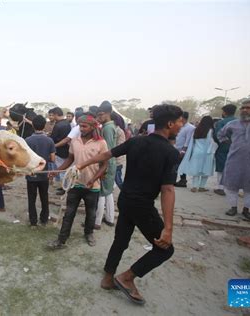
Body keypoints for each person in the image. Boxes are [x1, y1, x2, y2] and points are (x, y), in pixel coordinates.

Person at [77, 104, 183, 305]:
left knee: (121, 240)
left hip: (125, 200)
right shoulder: (170, 152)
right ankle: (127, 277)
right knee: (165, 250)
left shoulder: (135, 141)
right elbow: (167, 190)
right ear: (169, 124)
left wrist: (83, 164)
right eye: (179, 121)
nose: (181, 125)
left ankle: (108, 278)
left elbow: (107, 155)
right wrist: (168, 228)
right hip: (142, 206)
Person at [48, 114, 107, 248]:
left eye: (84, 126)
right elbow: (70, 160)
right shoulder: (75, 141)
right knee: (69, 213)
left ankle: (88, 233)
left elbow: (104, 165)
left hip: (92, 186)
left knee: (91, 213)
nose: (81, 128)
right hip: (75, 183)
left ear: (93, 127)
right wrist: (57, 170)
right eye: (80, 126)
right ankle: (61, 240)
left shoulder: (101, 143)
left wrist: (93, 179)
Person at [219, 99, 250, 224]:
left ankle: (246, 209)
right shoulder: (232, 124)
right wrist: (230, 144)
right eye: (243, 108)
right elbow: (221, 135)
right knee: (231, 184)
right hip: (234, 159)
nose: (245, 110)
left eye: (248, 108)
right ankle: (233, 208)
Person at [25, 115, 56, 228]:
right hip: (44, 175)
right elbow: (52, 159)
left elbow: (25, 158)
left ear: (32, 125)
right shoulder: (49, 140)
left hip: (31, 174)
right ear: (44, 126)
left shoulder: (27, 140)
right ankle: (44, 220)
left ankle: (33, 221)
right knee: (44, 197)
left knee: (31, 199)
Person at [178, 116, 216, 192]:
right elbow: (211, 143)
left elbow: (192, 142)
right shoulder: (211, 131)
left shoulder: (196, 130)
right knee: (206, 169)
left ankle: (194, 186)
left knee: (196, 169)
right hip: (207, 153)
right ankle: (202, 187)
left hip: (196, 152)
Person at [95, 101, 117, 228]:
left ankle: (97, 221)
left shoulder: (108, 128)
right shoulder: (110, 126)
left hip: (107, 163)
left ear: (108, 113)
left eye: (101, 115)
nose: (99, 118)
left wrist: (103, 168)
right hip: (110, 162)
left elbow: (107, 151)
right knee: (108, 192)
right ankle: (109, 218)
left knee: (102, 192)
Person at [212, 104, 237, 196]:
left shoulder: (221, 123)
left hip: (224, 146)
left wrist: (220, 143)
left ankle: (220, 188)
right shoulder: (239, 122)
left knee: (221, 166)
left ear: (224, 112)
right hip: (237, 147)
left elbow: (216, 136)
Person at [49, 107, 71, 195]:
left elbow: (53, 138)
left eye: (52, 115)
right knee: (65, 169)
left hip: (60, 150)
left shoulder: (58, 125)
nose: (52, 116)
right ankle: (65, 187)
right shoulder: (67, 123)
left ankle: (64, 188)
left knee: (62, 170)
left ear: (56, 114)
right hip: (67, 150)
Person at [174, 112, 198, 188]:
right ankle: (177, 180)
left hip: (183, 150)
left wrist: (183, 150)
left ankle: (183, 181)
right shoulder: (180, 126)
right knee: (177, 165)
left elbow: (188, 140)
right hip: (176, 148)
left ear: (183, 118)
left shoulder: (190, 128)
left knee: (180, 165)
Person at [111, 112, 126, 190]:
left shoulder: (119, 131)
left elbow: (120, 146)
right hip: (113, 159)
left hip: (117, 160)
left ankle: (125, 192)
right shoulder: (113, 129)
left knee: (118, 180)